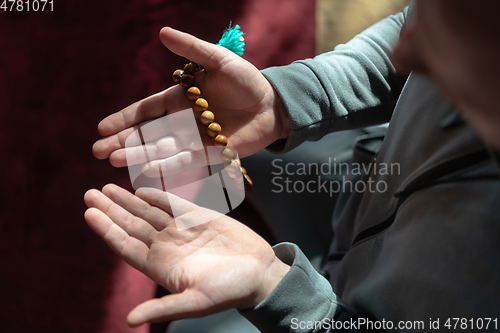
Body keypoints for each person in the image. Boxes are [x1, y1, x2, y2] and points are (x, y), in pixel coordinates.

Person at [84, 0, 500, 331]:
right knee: (217, 166)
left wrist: (275, 291)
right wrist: (284, 102)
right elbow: (411, 30)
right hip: (357, 185)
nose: (404, 50)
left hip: (327, 311)